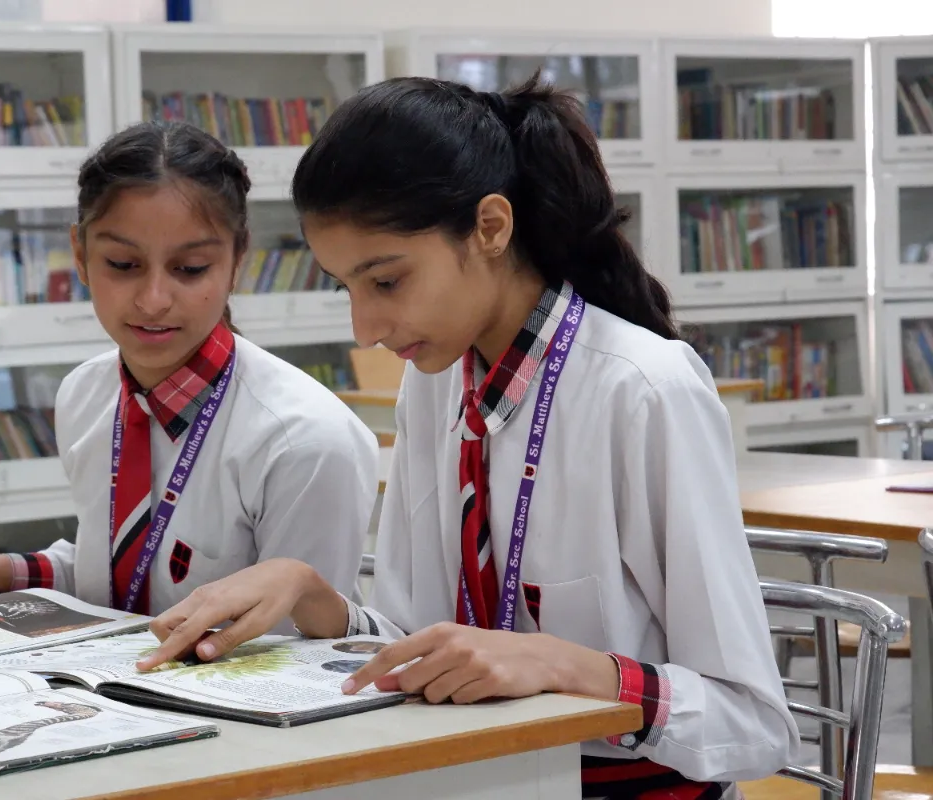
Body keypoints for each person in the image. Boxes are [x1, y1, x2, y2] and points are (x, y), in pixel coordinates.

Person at [136, 75, 800, 792]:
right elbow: (427, 646)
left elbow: (752, 723)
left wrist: (565, 666)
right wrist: (312, 595)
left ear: (490, 227)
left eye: (385, 282)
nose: (365, 328)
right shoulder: (435, 383)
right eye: (346, 288)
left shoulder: (642, 388)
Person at [0, 121, 379, 626]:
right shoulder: (86, 393)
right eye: (123, 265)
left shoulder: (304, 438)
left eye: (190, 269)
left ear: (238, 261)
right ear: (80, 255)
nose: (154, 299)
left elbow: (309, 644)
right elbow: (111, 577)